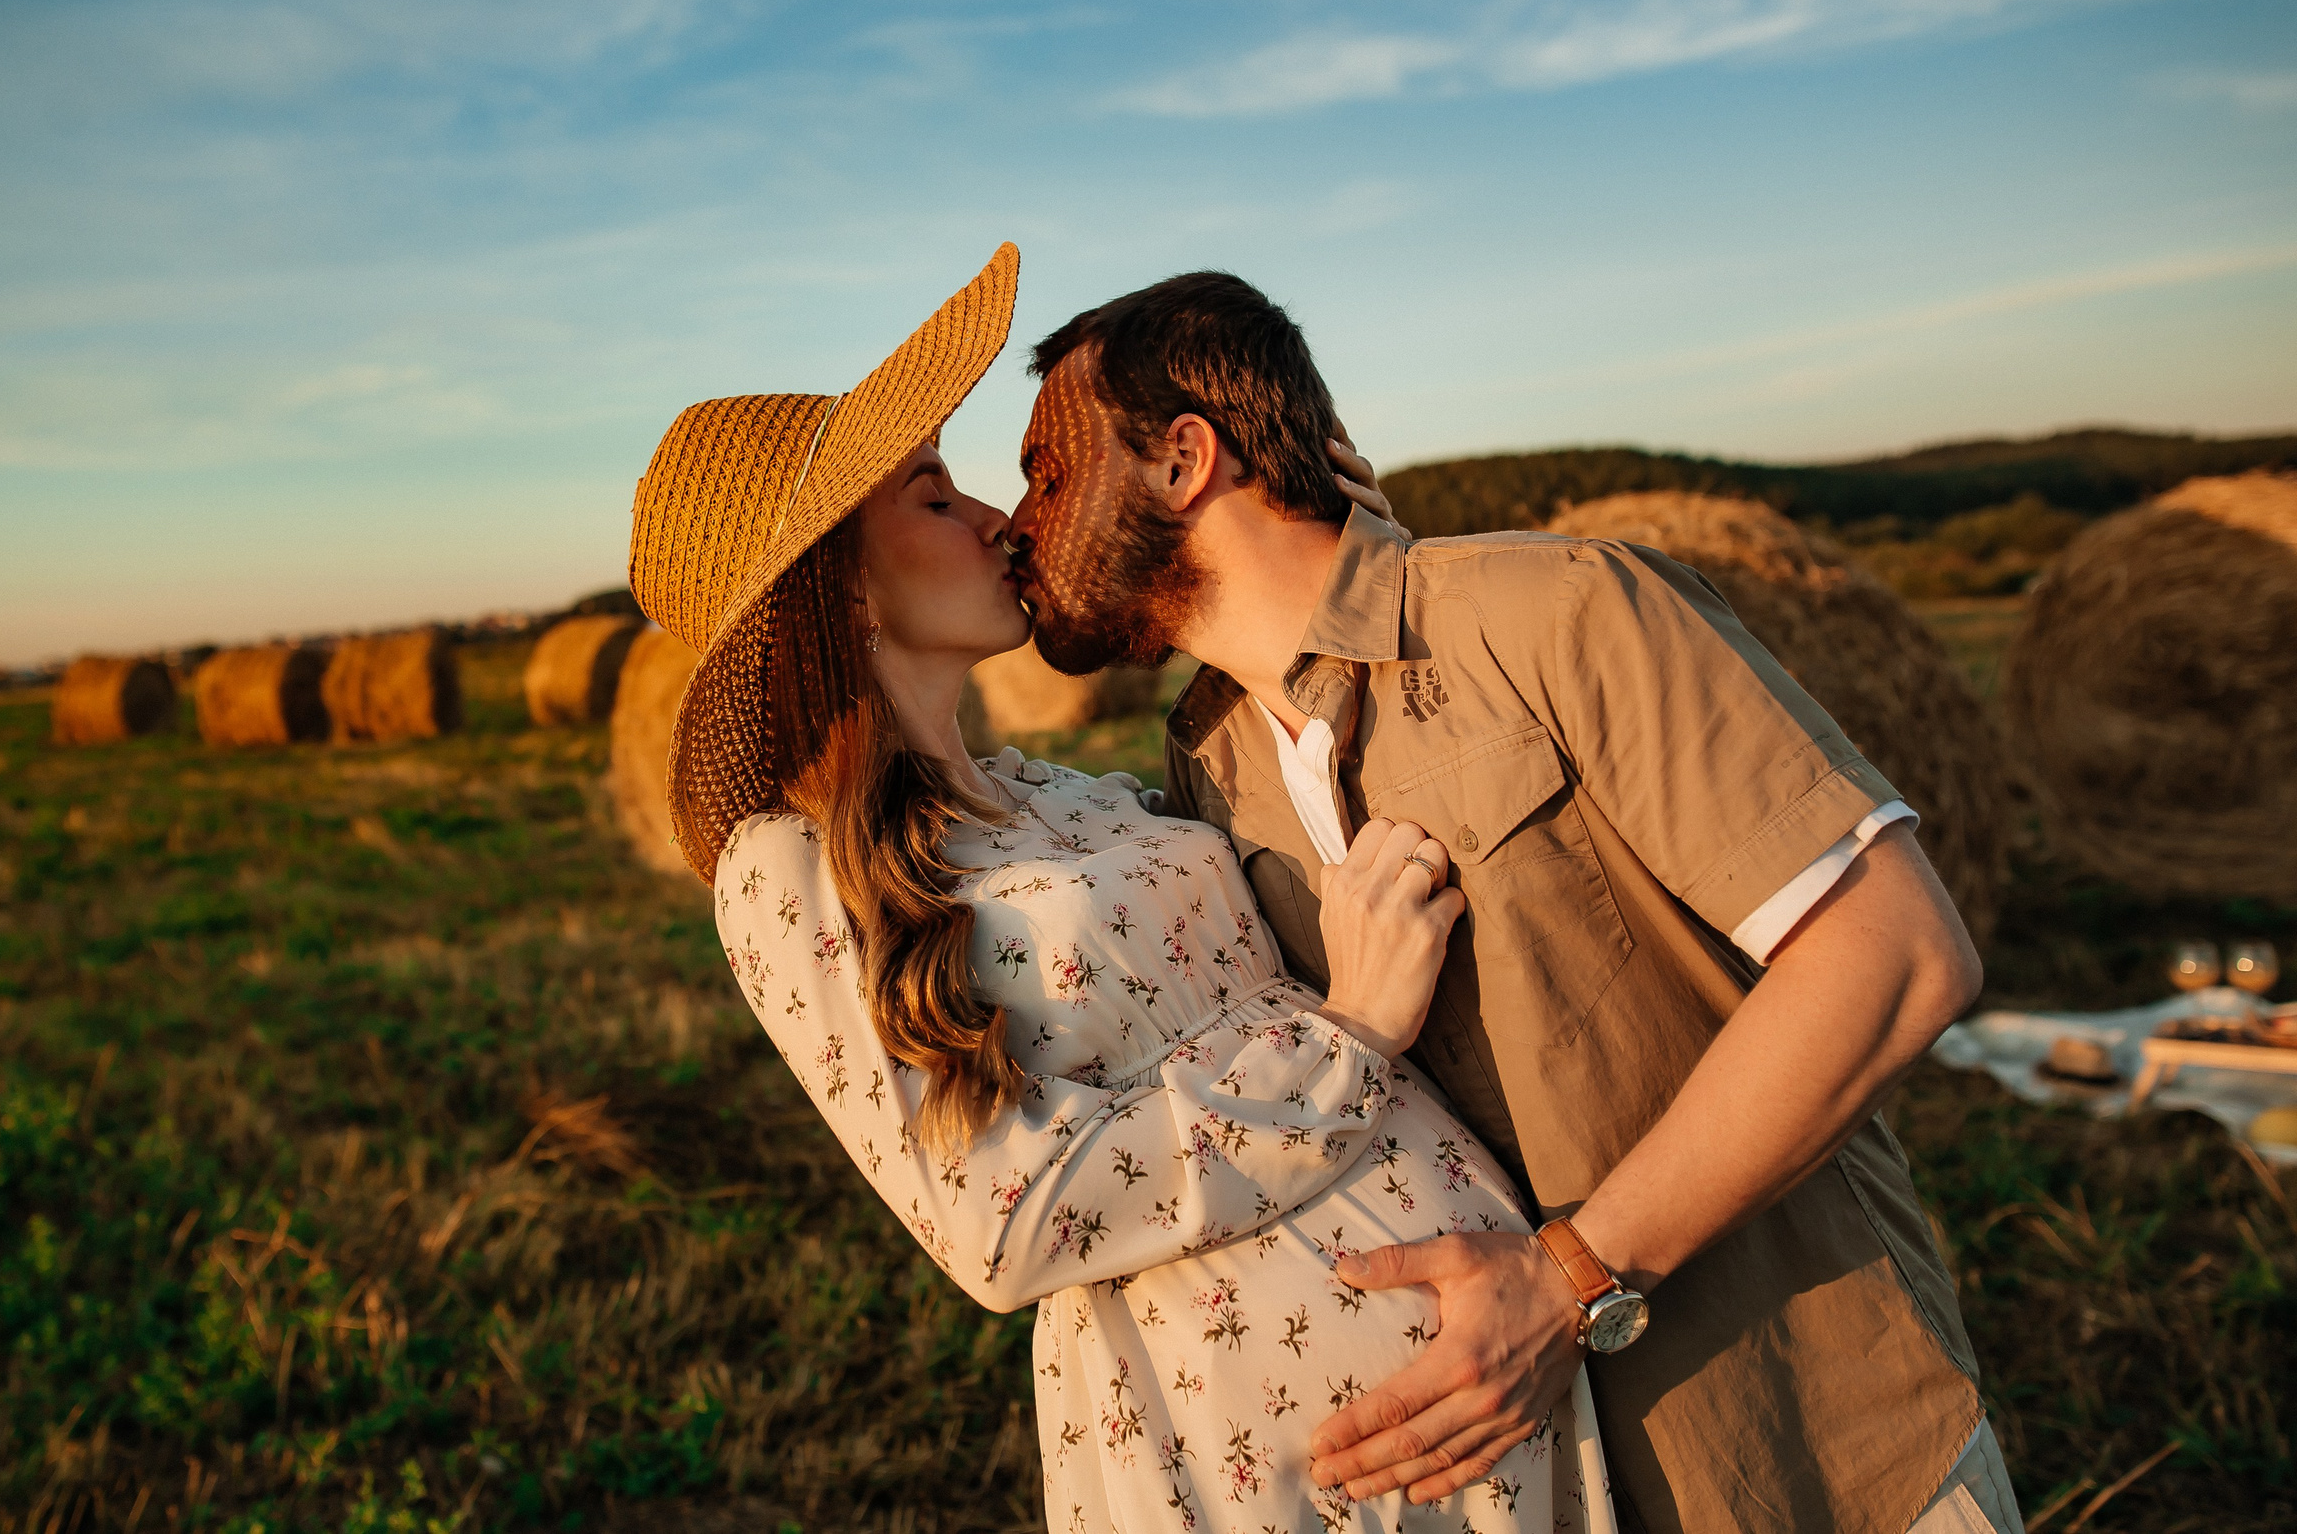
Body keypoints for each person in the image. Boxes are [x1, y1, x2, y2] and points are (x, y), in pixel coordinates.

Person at [1003, 271, 2019, 1534]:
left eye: (1048, 472)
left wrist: (1567, 1282)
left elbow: (1896, 954)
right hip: (1529, 1491)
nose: (1015, 520)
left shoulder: (1560, 613)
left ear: (1182, 461)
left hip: (1810, 1443)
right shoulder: (1208, 759)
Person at [629, 244, 1622, 1532]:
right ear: (846, 590)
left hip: (1480, 1360)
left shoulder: (1069, 794)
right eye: (934, 498)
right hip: (1263, 1439)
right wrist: (1349, 1036)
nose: (1000, 519)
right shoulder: (787, 867)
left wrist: (1340, 560)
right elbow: (999, 1224)